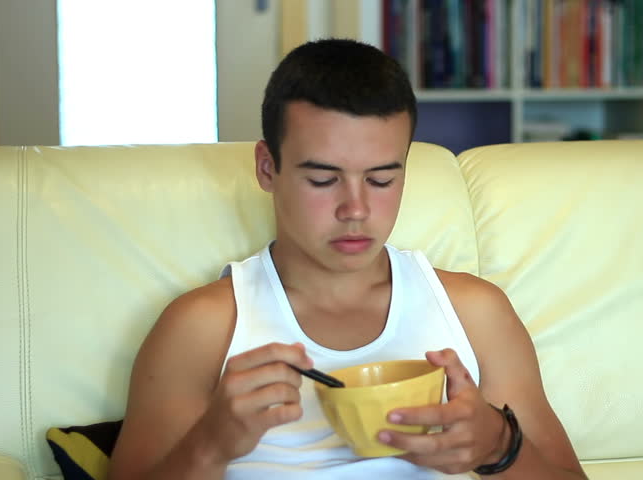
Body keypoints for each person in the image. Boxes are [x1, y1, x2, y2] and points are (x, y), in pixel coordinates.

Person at [108, 38, 586, 480]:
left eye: (381, 180)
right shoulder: (202, 326)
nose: (355, 210)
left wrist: (500, 446)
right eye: (323, 179)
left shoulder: (474, 312)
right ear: (267, 168)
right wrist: (210, 446)